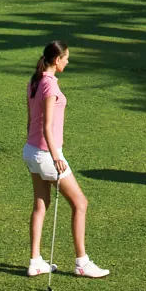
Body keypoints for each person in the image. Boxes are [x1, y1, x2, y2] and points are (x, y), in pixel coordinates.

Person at [24, 40, 109, 278]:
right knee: (80, 203)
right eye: (67, 58)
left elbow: (30, 121)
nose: (68, 61)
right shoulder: (49, 87)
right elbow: (47, 127)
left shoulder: (34, 81)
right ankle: (82, 262)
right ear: (57, 60)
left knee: (41, 205)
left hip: (30, 151)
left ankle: (35, 262)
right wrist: (55, 156)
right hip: (46, 154)